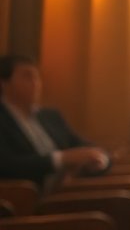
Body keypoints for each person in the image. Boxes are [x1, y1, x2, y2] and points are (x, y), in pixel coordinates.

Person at [0, 54, 110, 191]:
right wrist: (61, 159)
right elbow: (6, 165)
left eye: (37, 77)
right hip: (25, 200)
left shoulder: (51, 116)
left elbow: (85, 147)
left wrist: (99, 159)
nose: (36, 83)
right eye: (27, 76)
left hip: (68, 192)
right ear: (4, 84)